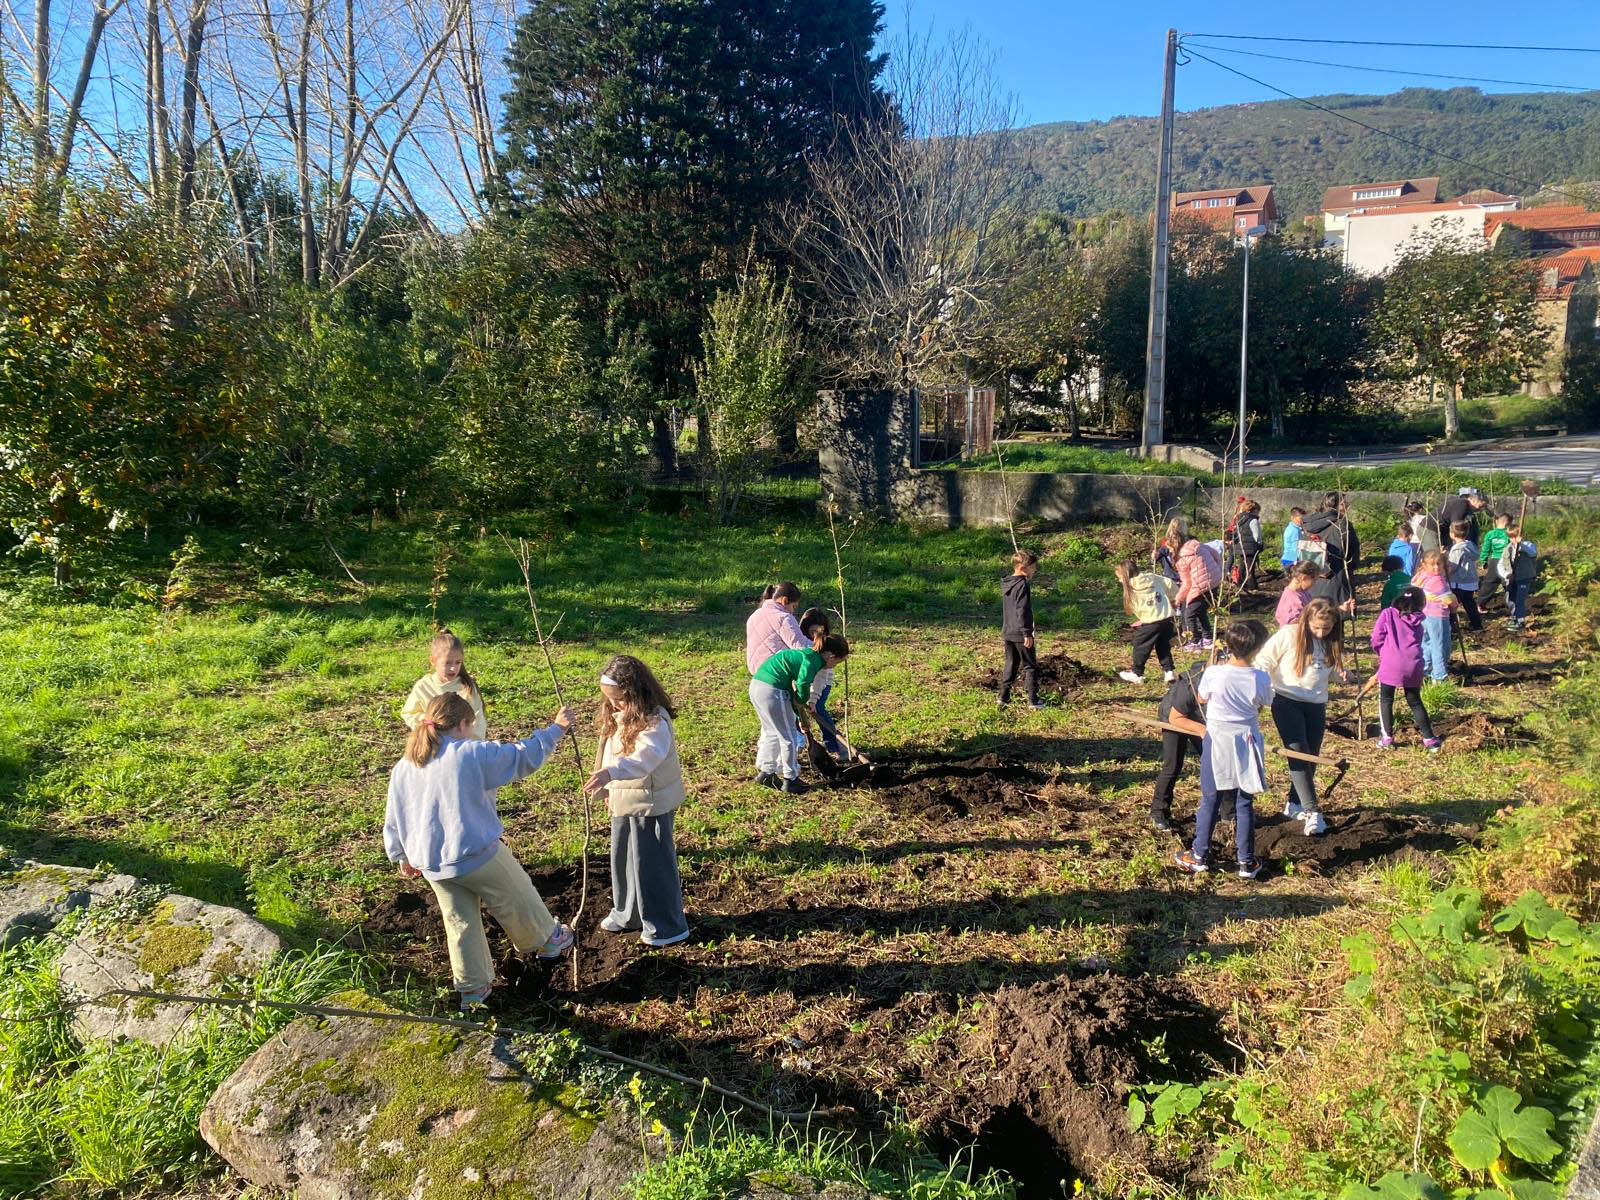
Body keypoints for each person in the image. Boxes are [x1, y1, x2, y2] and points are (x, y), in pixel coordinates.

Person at [383, 693, 576, 1010]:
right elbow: (521, 756)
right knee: (517, 896)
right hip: (475, 853)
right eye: (471, 726)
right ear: (462, 724)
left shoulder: (406, 765)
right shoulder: (471, 753)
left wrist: (400, 854)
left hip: (432, 865)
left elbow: (395, 813)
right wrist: (556, 729)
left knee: (460, 924)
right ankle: (548, 940)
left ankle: (473, 991)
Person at [582, 656, 690, 948]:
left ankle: (665, 926)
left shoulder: (655, 721)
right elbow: (609, 754)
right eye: (609, 700)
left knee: (651, 866)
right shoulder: (618, 717)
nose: (614, 705)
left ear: (635, 693)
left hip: (649, 805)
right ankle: (628, 913)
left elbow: (645, 760)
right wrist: (609, 791)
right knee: (624, 860)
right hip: (624, 801)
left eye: (619, 700)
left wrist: (610, 774)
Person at [1174, 620, 1273, 879]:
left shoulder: (1214, 673)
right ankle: (1246, 862)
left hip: (1216, 740)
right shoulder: (1260, 677)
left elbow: (1202, 698)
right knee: (1244, 800)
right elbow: (1264, 702)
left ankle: (1199, 855)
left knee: (1210, 798)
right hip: (1247, 741)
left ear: (1227, 645)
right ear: (1258, 648)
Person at [1254, 598, 1350, 837]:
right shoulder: (1288, 635)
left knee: (1311, 757)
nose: (1320, 633)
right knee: (1298, 753)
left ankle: (1294, 804)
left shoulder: (1329, 642)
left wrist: (1341, 675)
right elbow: (1262, 662)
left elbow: (1324, 671)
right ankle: (1312, 811)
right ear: (1306, 619)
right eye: (1316, 627)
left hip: (1316, 705)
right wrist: (1261, 693)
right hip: (1286, 700)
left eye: (1326, 629)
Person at [749, 634, 851, 793]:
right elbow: (803, 682)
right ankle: (791, 779)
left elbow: (791, 686)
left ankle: (766, 772)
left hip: (758, 686)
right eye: (838, 662)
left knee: (772, 732)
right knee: (788, 737)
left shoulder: (805, 654)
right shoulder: (812, 661)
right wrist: (803, 698)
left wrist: (798, 709)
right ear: (831, 657)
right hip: (773, 690)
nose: (835, 666)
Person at [1370, 587, 1441, 752]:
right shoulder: (1419, 619)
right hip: (1414, 664)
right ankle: (1429, 739)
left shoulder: (1387, 614)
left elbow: (1376, 638)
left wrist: (1382, 652)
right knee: (1415, 700)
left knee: (1386, 699)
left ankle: (1387, 738)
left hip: (1390, 664)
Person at [797, 608, 865, 763]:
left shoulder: (826, 651)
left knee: (819, 711)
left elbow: (819, 679)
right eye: (812, 631)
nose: (815, 635)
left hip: (821, 685)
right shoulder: (804, 645)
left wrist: (812, 700)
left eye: (819, 631)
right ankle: (801, 742)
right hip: (807, 684)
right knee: (797, 714)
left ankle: (837, 746)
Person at [1151, 661, 1207, 835]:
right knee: (1172, 764)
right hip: (1173, 716)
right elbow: (1177, 717)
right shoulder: (1192, 683)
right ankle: (1158, 812)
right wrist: (1203, 730)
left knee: (1215, 763)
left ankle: (1227, 814)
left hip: (1200, 717)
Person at [402, 628, 486, 740]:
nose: (453, 668)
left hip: (461, 745)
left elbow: (478, 719)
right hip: (432, 743)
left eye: (458, 662)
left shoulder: (466, 687)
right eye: (447, 663)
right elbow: (409, 713)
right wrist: (430, 724)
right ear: (433, 661)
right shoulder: (423, 687)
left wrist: (473, 745)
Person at [1113, 559, 1177, 685]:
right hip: (1167, 618)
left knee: (1140, 645)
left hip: (1151, 621)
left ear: (1125, 575)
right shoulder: (1152, 577)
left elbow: (1131, 610)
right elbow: (1170, 584)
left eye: (1119, 577)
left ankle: (1137, 673)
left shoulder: (1130, 587)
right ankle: (1169, 672)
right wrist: (1172, 598)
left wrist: (1142, 618)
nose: (1119, 580)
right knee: (1163, 645)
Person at [1300, 493, 1360, 613]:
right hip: (1336, 576)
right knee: (1335, 618)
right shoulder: (1342, 525)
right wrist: (1350, 567)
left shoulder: (1307, 525)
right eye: (1343, 503)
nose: (1347, 505)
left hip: (1312, 579)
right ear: (1335, 505)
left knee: (1315, 617)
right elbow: (1352, 554)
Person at [1000, 550, 1042, 708]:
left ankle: (1003, 698)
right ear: (1024, 567)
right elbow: (1021, 609)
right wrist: (1027, 633)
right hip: (1020, 633)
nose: (1034, 570)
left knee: (1010, 663)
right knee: (1030, 665)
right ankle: (1033, 700)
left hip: (1008, 631)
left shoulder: (1007, 583)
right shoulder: (1022, 584)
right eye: (1033, 567)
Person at [1412, 548, 1456, 682]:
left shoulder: (1421, 575)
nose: (1436, 567)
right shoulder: (1438, 581)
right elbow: (1449, 600)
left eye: (1439, 563)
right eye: (1432, 564)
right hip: (1437, 615)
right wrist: (1454, 604)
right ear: (1424, 565)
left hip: (1423, 614)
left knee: (1427, 643)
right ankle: (1439, 676)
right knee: (1440, 645)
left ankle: (1424, 670)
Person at [1175, 534, 1223, 652]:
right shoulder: (1200, 546)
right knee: (1201, 611)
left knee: (1189, 615)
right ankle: (1207, 639)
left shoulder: (1182, 558)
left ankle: (1194, 642)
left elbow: (1187, 583)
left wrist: (1178, 598)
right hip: (1214, 583)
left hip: (1199, 587)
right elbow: (1217, 555)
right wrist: (1217, 569)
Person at [1499, 527, 1540, 632]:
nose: (1513, 539)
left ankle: (1520, 620)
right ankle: (1514, 617)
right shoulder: (1507, 549)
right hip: (1512, 579)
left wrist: (1520, 544)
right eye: (1511, 537)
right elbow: (1501, 564)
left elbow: (1533, 553)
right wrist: (1507, 574)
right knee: (1510, 599)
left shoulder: (1528, 546)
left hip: (1524, 578)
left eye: (1515, 537)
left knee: (1520, 600)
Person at [1446, 520, 1483, 633]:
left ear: (1452, 534)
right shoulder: (1469, 545)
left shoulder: (1457, 549)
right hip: (1469, 581)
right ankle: (1476, 624)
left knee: (1452, 605)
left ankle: (1452, 626)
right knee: (1469, 603)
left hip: (1458, 581)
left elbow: (1453, 566)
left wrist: (1444, 570)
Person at [1225, 497, 1264, 592]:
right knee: (1250, 568)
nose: (1258, 514)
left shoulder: (1239, 518)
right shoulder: (1253, 520)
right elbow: (1256, 536)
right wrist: (1259, 544)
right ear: (1253, 510)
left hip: (1241, 547)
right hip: (1250, 547)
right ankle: (1252, 586)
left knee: (1242, 566)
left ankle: (1240, 583)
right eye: (1258, 511)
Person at [1479, 512, 1512, 614]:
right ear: (1508, 523)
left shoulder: (1490, 534)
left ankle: (1479, 603)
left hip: (1494, 560)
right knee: (1508, 582)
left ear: (1497, 521)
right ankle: (1511, 604)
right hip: (1506, 560)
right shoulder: (1509, 533)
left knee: (1489, 583)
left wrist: (1483, 561)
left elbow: (1485, 549)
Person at [1274, 562, 1321, 628]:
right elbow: (1293, 625)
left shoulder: (1303, 592)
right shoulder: (1292, 600)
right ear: (1304, 578)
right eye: (1314, 581)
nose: (1315, 584)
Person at [1280, 508, 1305, 577]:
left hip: (1287, 558)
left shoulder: (1291, 527)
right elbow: (1296, 548)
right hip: (1292, 560)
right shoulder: (1295, 530)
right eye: (1300, 518)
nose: (1303, 520)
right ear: (1292, 518)